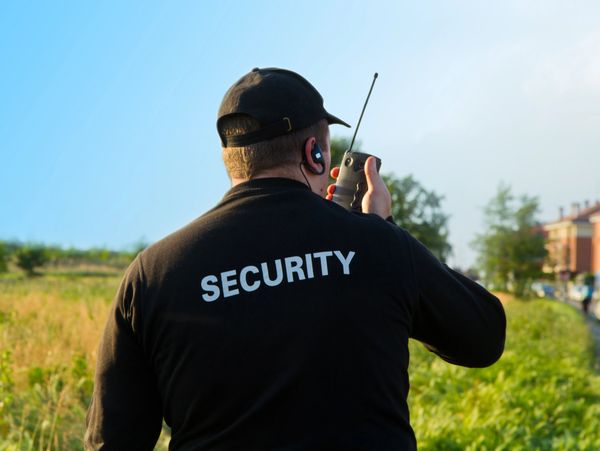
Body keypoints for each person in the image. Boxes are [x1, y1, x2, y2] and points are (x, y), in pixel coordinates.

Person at [85, 67, 506, 450]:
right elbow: (484, 337)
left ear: (229, 159)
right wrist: (382, 228)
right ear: (315, 153)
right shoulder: (379, 244)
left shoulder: (152, 273)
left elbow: (111, 442)